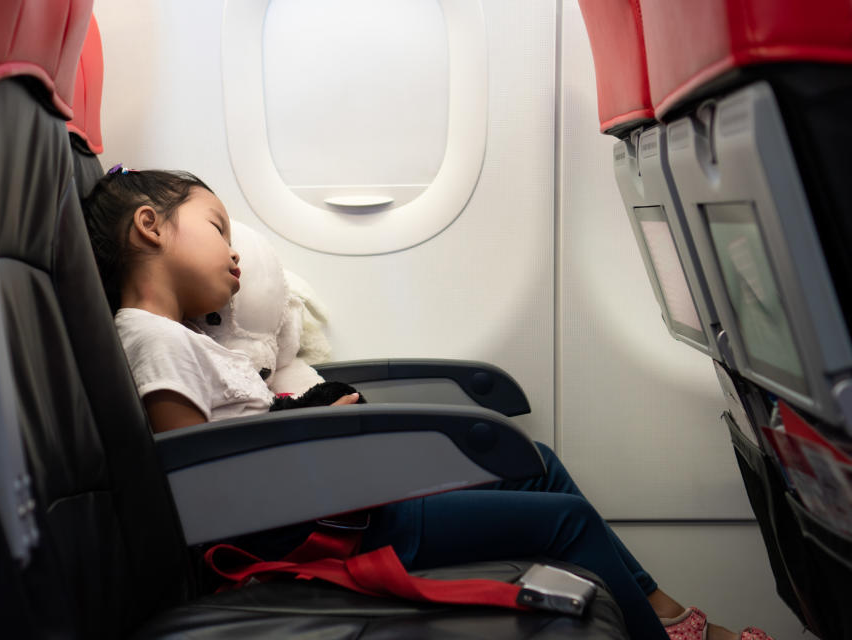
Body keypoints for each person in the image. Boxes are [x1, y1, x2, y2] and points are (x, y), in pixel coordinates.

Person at [82, 167, 773, 640]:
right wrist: (315, 433)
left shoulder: (185, 341)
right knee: (559, 522)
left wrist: (312, 416)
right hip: (312, 529)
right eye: (218, 228)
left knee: (534, 463)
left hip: (327, 502)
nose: (236, 255)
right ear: (151, 227)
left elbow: (241, 441)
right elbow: (202, 484)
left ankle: (663, 612)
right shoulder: (151, 340)